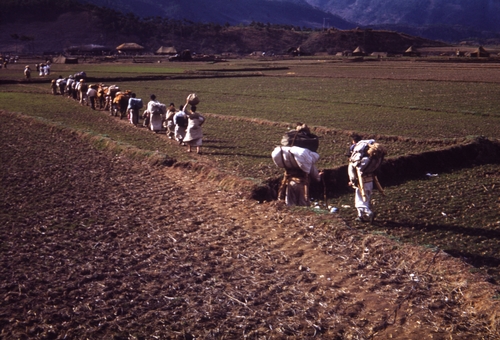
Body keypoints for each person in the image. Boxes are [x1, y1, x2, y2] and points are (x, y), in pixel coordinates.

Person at [272, 124, 323, 206]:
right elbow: (312, 171)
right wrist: (318, 177)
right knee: (303, 204)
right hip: (302, 183)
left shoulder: (288, 157)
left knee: (289, 203)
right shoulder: (305, 156)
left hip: (289, 182)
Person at [348, 140, 386, 223]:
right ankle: (360, 216)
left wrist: (353, 180)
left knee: (359, 201)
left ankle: (369, 213)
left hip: (362, 182)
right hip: (370, 181)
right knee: (366, 199)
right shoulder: (377, 160)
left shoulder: (365, 160)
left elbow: (358, 169)